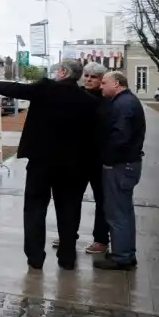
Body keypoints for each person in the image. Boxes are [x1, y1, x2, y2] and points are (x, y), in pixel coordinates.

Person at [0, 59, 98, 270]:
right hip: (73, 166)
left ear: (63, 72)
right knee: (69, 209)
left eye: (57, 70)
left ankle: (35, 257)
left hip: (41, 162)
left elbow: (17, 89)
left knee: (35, 208)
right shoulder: (88, 100)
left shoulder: (45, 88)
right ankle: (67, 257)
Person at [52, 62, 109, 254]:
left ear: (102, 80)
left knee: (102, 200)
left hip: (99, 159)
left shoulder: (107, 99)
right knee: (71, 199)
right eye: (86, 75)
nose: (88, 79)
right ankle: (68, 235)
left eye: (94, 77)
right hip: (77, 158)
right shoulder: (76, 95)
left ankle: (101, 239)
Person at [94, 71, 145, 271]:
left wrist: (106, 159)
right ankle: (125, 252)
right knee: (123, 211)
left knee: (117, 213)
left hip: (120, 165)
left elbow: (120, 136)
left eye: (104, 82)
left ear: (116, 84)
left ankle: (122, 257)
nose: (100, 86)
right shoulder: (127, 101)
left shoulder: (123, 104)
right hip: (127, 164)